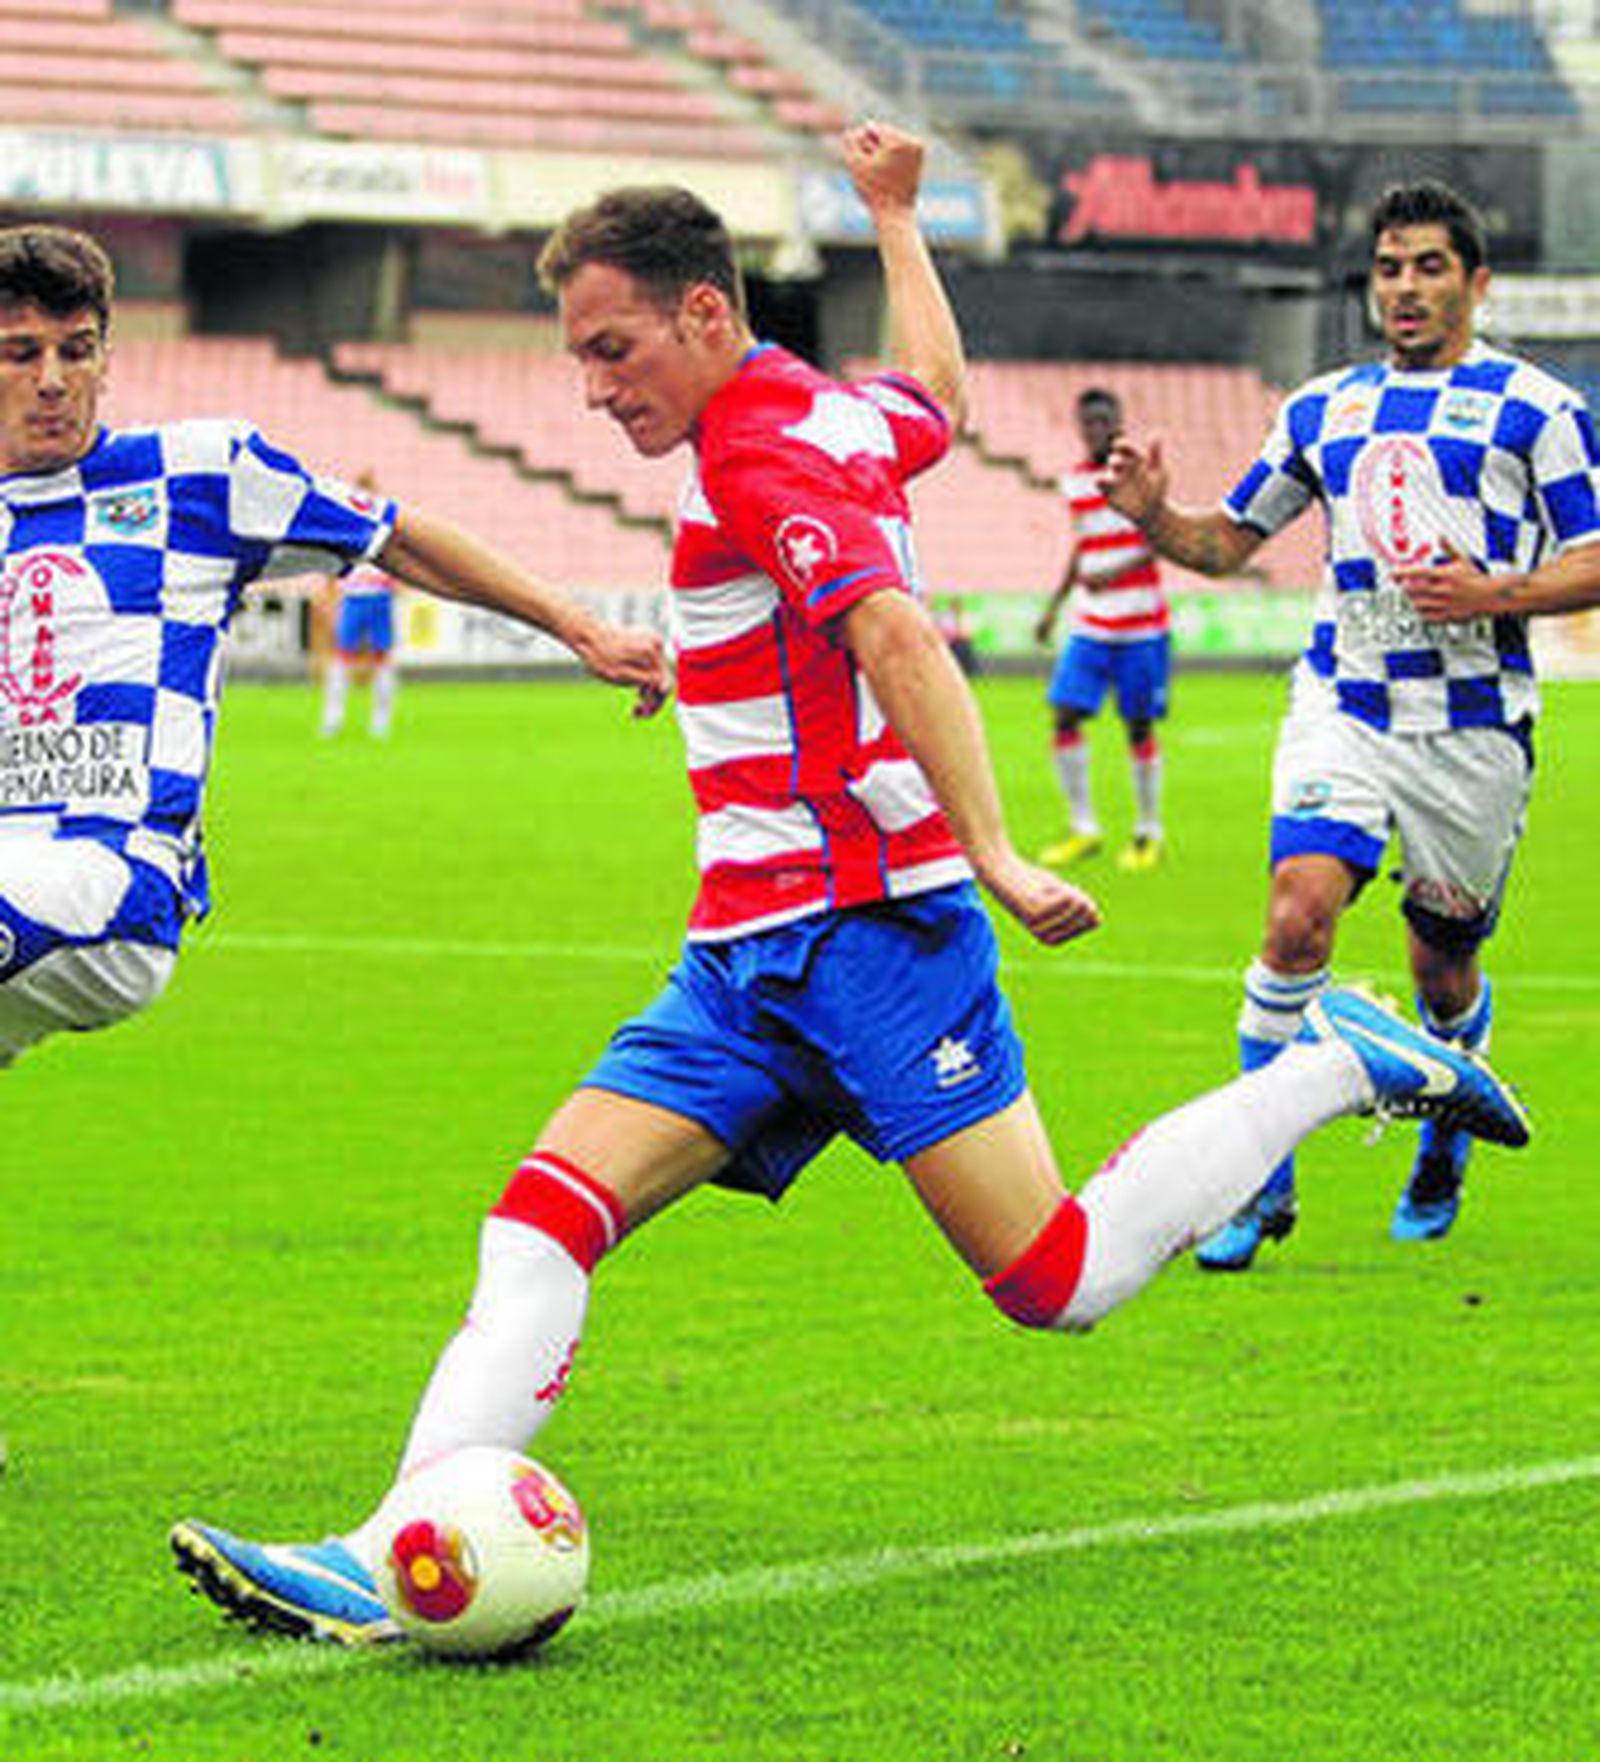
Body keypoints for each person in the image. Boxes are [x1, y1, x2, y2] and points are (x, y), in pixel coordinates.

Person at [169, 128, 1530, 1646]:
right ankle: (388, 1548)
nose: (596, 386)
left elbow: (894, 634)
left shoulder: (765, 447)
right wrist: (894, 219)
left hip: (869, 925)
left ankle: (1346, 1061)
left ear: (704, 314)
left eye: (613, 349)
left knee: (1056, 1277)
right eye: (575, 361)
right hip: (746, 947)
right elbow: (940, 400)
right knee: (542, 1220)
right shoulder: (814, 412)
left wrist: (999, 848)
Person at [0, 224, 670, 1076]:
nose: (53, 380)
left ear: (106, 356)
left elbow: (398, 538)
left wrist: (580, 627)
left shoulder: (196, 473)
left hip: (109, 878)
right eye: (22, 354)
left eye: (76, 350)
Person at [1101, 179, 1600, 1270]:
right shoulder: (1320, 407)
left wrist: (1497, 594)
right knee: (1295, 921)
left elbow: (1595, 556)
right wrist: (1150, 518)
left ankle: (1443, 1136)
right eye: (1387, 268)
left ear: (1476, 281)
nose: (1405, 288)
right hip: (1343, 705)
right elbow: (1227, 543)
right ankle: (1254, 1182)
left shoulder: (1540, 409)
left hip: (1472, 732)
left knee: (1441, 970)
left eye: (1428, 266)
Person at [1035, 387, 1170, 873]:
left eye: (1103, 421)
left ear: (1118, 422)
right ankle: (1083, 827)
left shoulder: (1136, 477)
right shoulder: (1073, 481)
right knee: (1065, 715)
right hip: (1091, 622)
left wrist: (1110, 573)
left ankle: (1147, 832)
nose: (1094, 429)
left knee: (1137, 725)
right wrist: (1054, 606)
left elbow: (1162, 537)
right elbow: (1085, 546)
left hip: (1140, 624)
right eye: (1086, 422)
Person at [319, 471, 402, 739]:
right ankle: (334, 718)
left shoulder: (385, 526)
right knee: (344, 656)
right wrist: (330, 600)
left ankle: (381, 721)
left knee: (381, 658)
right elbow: (332, 568)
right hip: (355, 596)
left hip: (379, 595)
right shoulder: (346, 523)